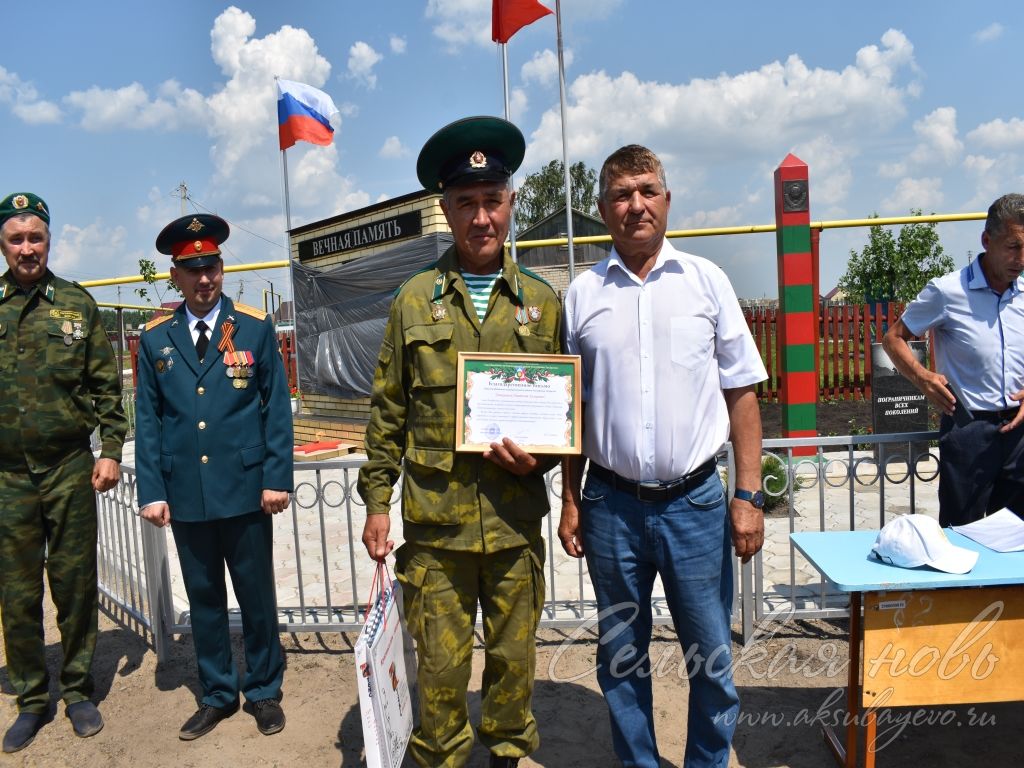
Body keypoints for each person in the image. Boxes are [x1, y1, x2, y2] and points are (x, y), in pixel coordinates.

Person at [357, 116, 562, 768]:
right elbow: (388, 408)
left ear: (511, 204)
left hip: (513, 524)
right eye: (466, 204)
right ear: (446, 210)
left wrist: (547, 457)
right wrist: (378, 504)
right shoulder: (413, 302)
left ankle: (504, 757)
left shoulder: (542, 303)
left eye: (492, 202)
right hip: (437, 532)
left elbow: (563, 414)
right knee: (440, 675)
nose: (482, 218)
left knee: (513, 666)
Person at [557, 145, 767, 768]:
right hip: (610, 505)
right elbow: (572, 411)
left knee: (710, 656)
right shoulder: (582, 294)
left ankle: (706, 762)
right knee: (621, 657)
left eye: (647, 190)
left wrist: (749, 494)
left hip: (697, 505)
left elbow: (743, 393)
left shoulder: (707, 282)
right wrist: (570, 500)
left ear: (667, 200)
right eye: (621, 195)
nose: (636, 205)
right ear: (602, 210)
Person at [134, 214, 293, 740]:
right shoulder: (156, 339)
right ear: (175, 275)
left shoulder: (252, 327)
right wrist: (153, 490)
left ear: (222, 268)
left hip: (247, 489)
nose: (205, 279)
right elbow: (150, 421)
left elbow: (276, 410)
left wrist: (277, 477)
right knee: (203, 597)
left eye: (212, 267)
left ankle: (264, 689)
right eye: (192, 269)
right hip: (187, 495)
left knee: (256, 594)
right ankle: (219, 692)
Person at [0, 192, 128, 752]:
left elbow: (107, 387)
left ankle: (77, 690)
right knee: (17, 592)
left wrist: (112, 450)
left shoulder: (77, 305)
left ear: (49, 240)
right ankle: (32, 699)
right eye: (15, 238)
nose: (27, 248)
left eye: (36, 238)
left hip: (69, 469)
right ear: (2, 245)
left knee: (74, 585)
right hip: (6, 478)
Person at [883, 194, 1024, 526]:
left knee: (1018, 539)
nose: (1021, 258)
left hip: (1019, 433)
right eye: (1013, 247)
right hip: (969, 431)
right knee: (963, 534)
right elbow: (893, 339)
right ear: (987, 240)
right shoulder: (948, 291)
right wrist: (924, 378)